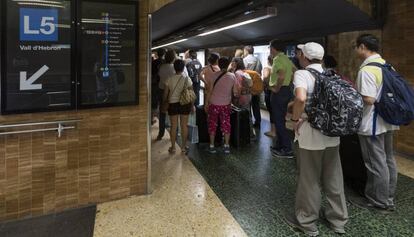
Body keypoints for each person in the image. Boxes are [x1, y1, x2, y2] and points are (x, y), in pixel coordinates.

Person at [284, 42, 348, 236]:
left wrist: (295, 119)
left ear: (304, 56)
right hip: (332, 134)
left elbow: (301, 98)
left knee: (309, 178)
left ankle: (307, 222)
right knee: (333, 177)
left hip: (311, 135)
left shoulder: (302, 74)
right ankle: (338, 221)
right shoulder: (332, 74)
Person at [351, 34, 398, 213]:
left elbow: (369, 99)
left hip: (372, 123)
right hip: (388, 120)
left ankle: (378, 201)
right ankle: (388, 197)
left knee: (375, 162)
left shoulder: (367, 70)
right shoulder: (388, 65)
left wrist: (353, 96)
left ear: (363, 47)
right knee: (388, 159)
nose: (356, 50)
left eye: (356, 47)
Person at [204, 57, 237, 154]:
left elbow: (209, 91)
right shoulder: (232, 76)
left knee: (212, 124)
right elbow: (235, 92)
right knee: (226, 124)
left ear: (218, 64)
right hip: (226, 105)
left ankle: (212, 146)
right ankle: (226, 146)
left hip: (214, 104)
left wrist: (206, 103)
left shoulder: (213, 76)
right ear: (228, 65)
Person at [268, 40, 294, 158]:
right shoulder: (287, 59)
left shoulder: (277, 59)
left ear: (273, 48)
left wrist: (277, 88)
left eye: (270, 48)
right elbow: (294, 71)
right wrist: (289, 83)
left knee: (278, 120)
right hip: (286, 91)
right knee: (280, 119)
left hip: (279, 92)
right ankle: (279, 145)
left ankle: (287, 149)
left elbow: (282, 75)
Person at [162, 59, 193, 154]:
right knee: (184, 126)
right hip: (185, 104)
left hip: (173, 104)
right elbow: (191, 93)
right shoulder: (187, 79)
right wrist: (192, 105)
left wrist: (164, 102)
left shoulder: (169, 79)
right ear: (183, 68)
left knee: (173, 126)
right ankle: (183, 147)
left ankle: (173, 147)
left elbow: (165, 94)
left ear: (174, 68)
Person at [157, 49, 181, 140]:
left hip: (162, 90)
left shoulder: (162, 67)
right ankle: (176, 132)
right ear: (174, 58)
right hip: (173, 92)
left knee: (162, 113)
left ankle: (161, 133)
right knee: (174, 113)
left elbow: (160, 76)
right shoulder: (175, 67)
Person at [231, 57, 255, 140]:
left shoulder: (237, 73)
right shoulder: (243, 72)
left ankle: (242, 134)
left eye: (233, 62)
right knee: (247, 115)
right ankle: (250, 134)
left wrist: (235, 97)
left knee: (240, 115)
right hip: (248, 96)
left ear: (236, 63)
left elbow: (238, 87)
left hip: (241, 97)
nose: (231, 63)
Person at [243, 45, 263, 128]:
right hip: (256, 86)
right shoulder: (258, 60)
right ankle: (258, 122)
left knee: (248, 105)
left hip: (247, 86)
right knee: (256, 105)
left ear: (247, 51)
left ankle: (249, 122)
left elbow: (243, 73)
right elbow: (259, 72)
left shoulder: (244, 60)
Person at [151, 48, 166, 125]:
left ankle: (151, 118)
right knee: (162, 103)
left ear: (157, 54)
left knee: (154, 103)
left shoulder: (153, 62)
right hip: (163, 85)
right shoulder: (165, 63)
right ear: (164, 54)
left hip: (154, 84)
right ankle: (162, 121)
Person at [263, 55, 276, 137]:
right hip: (278, 91)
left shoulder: (267, 68)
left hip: (270, 91)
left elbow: (266, 78)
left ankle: (273, 131)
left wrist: (265, 83)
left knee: (272, 112)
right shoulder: (279, 69)